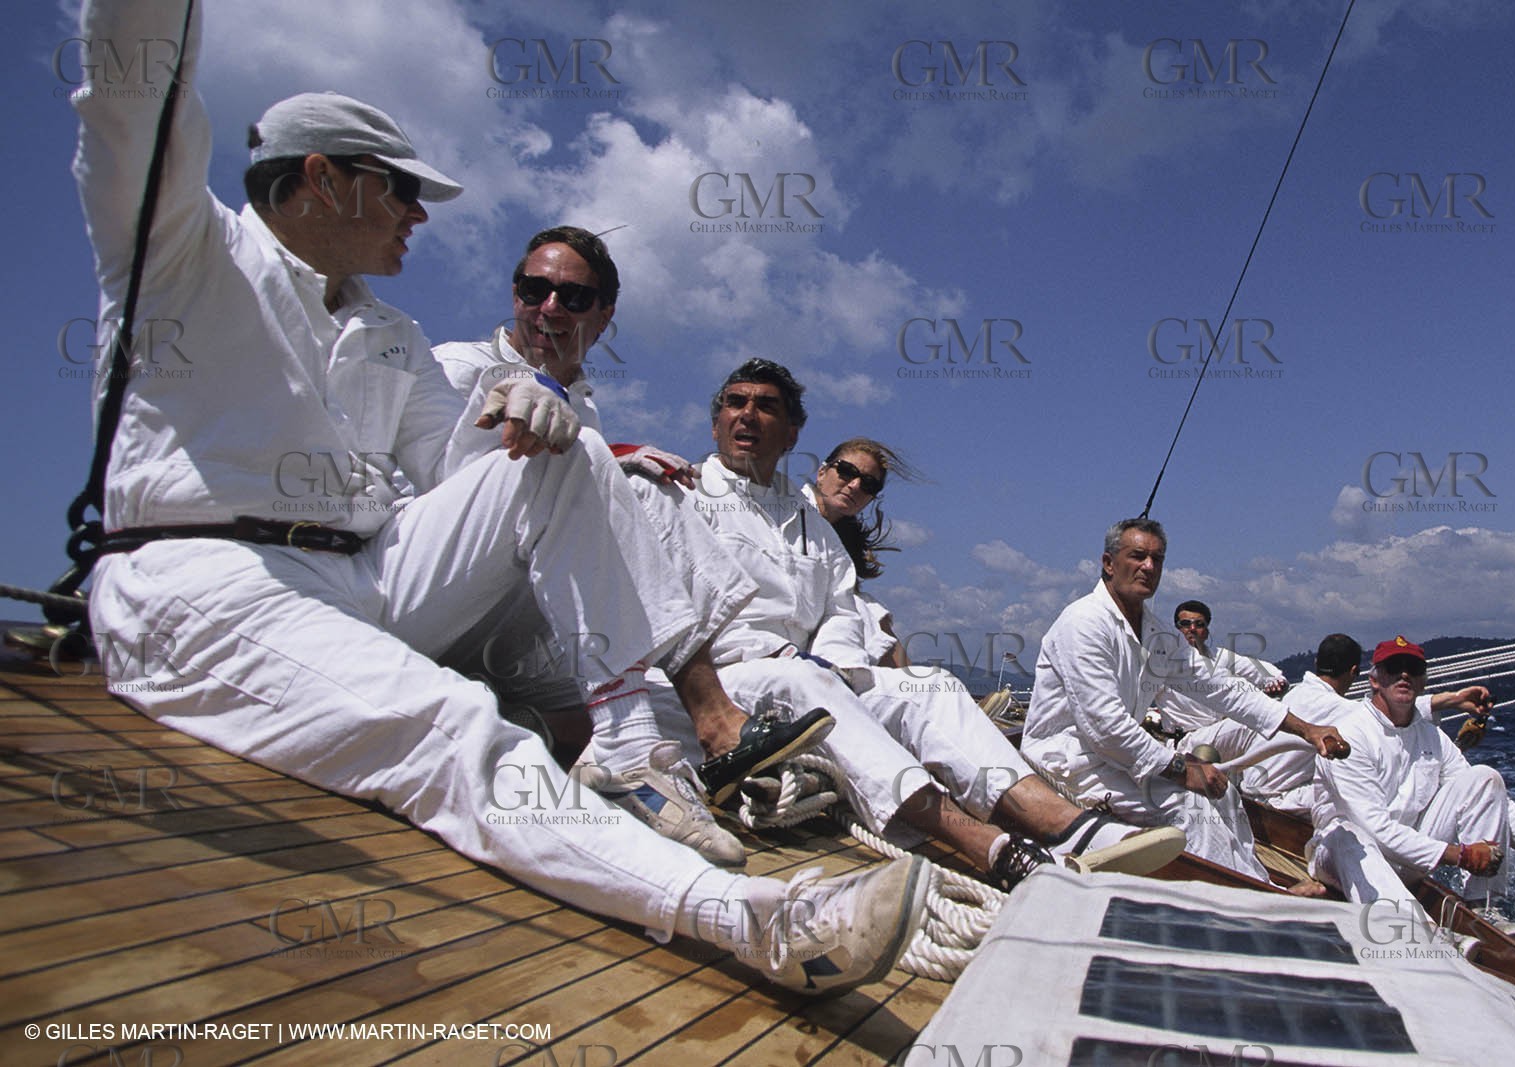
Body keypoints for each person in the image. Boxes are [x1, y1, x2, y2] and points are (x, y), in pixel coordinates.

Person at [71, 0, 925, 995]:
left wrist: (538, 409)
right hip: (204, 583)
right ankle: (750, 920)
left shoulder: (389, 334)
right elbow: (129, 88)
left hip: (362, 572)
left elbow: (458, 468)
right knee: (448, 724)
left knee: (570, 456)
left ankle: (628, 744)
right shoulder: (183, 248)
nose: (419, 216)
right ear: (322, 179)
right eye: (399, 191)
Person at [650, 362, 1186, 890]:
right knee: (806, 681)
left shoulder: (813, 525)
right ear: (715, 422)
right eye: (735, 403)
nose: (747, 415)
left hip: (813, 677)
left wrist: (838, 666)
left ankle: (1062, 824)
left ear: (791, 434)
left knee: (930, 684)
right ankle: (988, 845)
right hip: (722, 682)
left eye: (766, 406)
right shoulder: (678, 494)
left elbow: (840, 610)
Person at [433, 226, 833, 867]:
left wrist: (618, 460)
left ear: (604, 314)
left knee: (649, 481)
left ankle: (638, 746)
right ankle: (710, 724)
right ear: (514, 295)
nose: (550, 309)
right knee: (630, 479)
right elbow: (437, 506)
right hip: (446, 591)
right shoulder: (460, 369)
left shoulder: (584, 409)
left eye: (574, 297)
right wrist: (589, 454)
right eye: (535, 290)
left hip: (518, 616)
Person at [1022, 518, 1350, 880]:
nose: (1149, 567)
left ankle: (1257, 880)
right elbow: (1107, 729)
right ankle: (1239, 899)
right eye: (1138, 556)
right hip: (1068, 759)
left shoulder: (1157, 633)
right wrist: (1180, 769)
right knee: (1191, 809)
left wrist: (1306, 730)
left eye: (1157, 559)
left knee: (1224, 794)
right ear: (1108, 563)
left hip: (1115, 757)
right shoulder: (1083, 624)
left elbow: (1220, 686)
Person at [1306, 638, 1515, 906]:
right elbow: (1374, 828)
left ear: (1423, 680)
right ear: (1374, 679)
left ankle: (1481, 906)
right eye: (1394, 668)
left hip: (1407, 856)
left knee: (1484, 779)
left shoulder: (1434, 737)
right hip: (1346, 858)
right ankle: (1409, 928)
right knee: (1350, 834)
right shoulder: (1349, 733)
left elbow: (1491, 801)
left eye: (1413, 669)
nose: (1404, 675)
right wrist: (1459, 855)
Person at [1202, 633, 1492, 816]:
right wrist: (1451, 700)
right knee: (1379, 789)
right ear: (1355, 672)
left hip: (1251, 795)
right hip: (1279, 803)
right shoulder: (1342, 709)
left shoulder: (1293, 696)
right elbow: (1382, 714)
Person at [806, 437, 918, 668]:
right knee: (864, 609)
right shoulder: (787, 514)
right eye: (846, 472)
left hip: (824, 615)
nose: (855, 486)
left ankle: (920, 692)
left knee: (871, 610)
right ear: (822, 473)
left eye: (868, 484)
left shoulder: (839, 542)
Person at [1156, 599, 1287, 737]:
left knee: (1271, 715)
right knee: (1264, 720)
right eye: (1185, 624)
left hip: (1220, 735)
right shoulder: (1163, 663)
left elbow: (1260, 670)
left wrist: (1275, 681)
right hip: (1187, 738)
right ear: (1176, 630)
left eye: (1199, 624)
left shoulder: (1220, 657)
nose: (1192, 629)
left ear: (1206, 632)